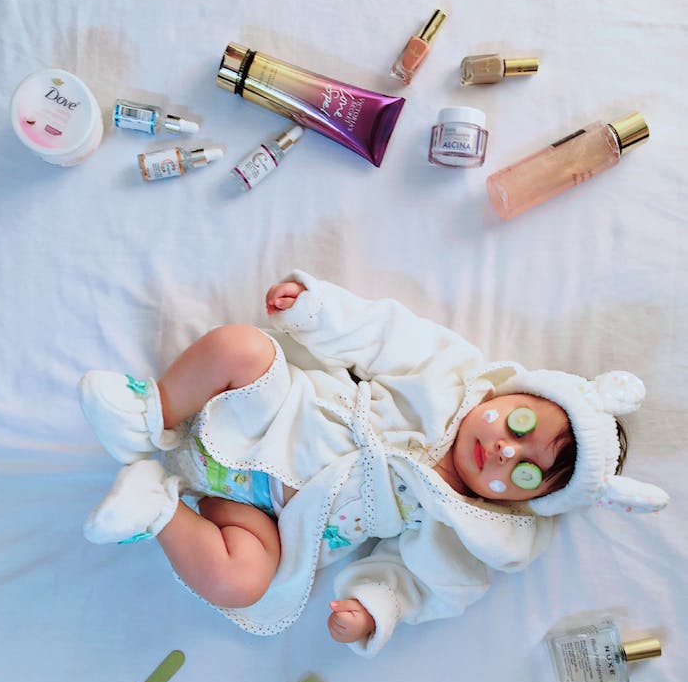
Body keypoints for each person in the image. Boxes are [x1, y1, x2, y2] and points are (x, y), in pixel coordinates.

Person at [79, 272, 668, 656]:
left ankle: (155, 505)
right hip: (276, 414)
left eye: (524, 473)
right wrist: (317, 312)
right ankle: (152, 413)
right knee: (242, 347)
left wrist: (373, 609)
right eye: (520, 426)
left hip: (266, 517)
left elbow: (423, 582)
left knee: (243, 582)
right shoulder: (451, 375)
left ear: (522, 501)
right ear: (514, 395)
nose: (508, 451)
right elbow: (385, 336)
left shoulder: (463, 525)